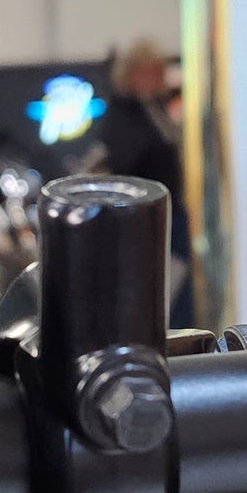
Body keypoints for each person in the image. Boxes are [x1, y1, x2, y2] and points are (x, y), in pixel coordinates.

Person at [96, 39, 194, 326]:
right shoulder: (126, 114)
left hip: (168, 211)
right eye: (144, 72)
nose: (152, 78)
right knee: (162, 294)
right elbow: (125, 164)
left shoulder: (154, 109)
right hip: (146, 219)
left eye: (156, 71)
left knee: (175, 291)